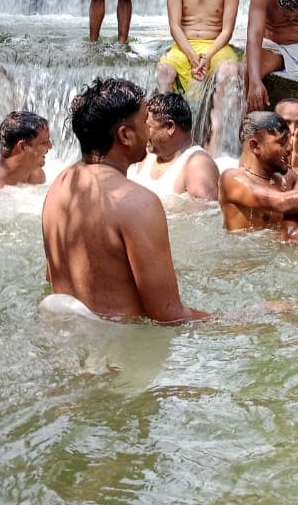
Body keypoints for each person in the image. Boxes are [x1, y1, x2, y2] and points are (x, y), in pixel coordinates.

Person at [41, 77, 208, 323]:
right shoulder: (138, 204)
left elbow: (51, 276)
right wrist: (246, 319)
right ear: (125, 135)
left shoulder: (60, 185)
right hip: (120, 353)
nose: (149, 130)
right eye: (144, 122)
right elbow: (168, 316)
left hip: (68, 340)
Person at [157, 0, 243, 151]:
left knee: (230, 71)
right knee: (165, 71)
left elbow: (227, 30)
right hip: (185, 47)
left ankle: (215, 141)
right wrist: (194, 57)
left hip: (217, 47)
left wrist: (208, 56)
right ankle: (163, 138)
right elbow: (175, 26)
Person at [130, 92, 219, 199]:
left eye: (148, 126)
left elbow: (206, 213)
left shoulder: (197, 164)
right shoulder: (145, 155)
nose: (143, 133)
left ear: (170, 127)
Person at [273, 98, 298, 187]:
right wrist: (296, 168)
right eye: (286, 123)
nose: (292, 130)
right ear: (273, 126)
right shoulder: (265, 156)